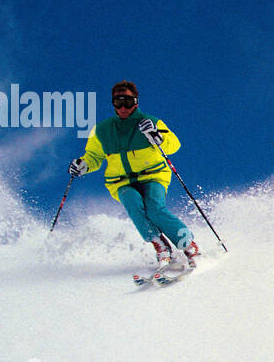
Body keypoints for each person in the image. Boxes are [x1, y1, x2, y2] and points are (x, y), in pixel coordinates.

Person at [68, 80, 201, 268]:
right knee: (133, 204)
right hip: (120, 181)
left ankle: (188, 244)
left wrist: (158, 137)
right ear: (113, 104)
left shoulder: (150, 123)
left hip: (153, 175)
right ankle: (160, 245)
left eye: (128, 102)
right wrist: (83, 165)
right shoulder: (103, 130)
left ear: (136, 102)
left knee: (154, 208)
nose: (123, 107)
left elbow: (174, 144)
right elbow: (93, 156)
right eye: (118, 102)